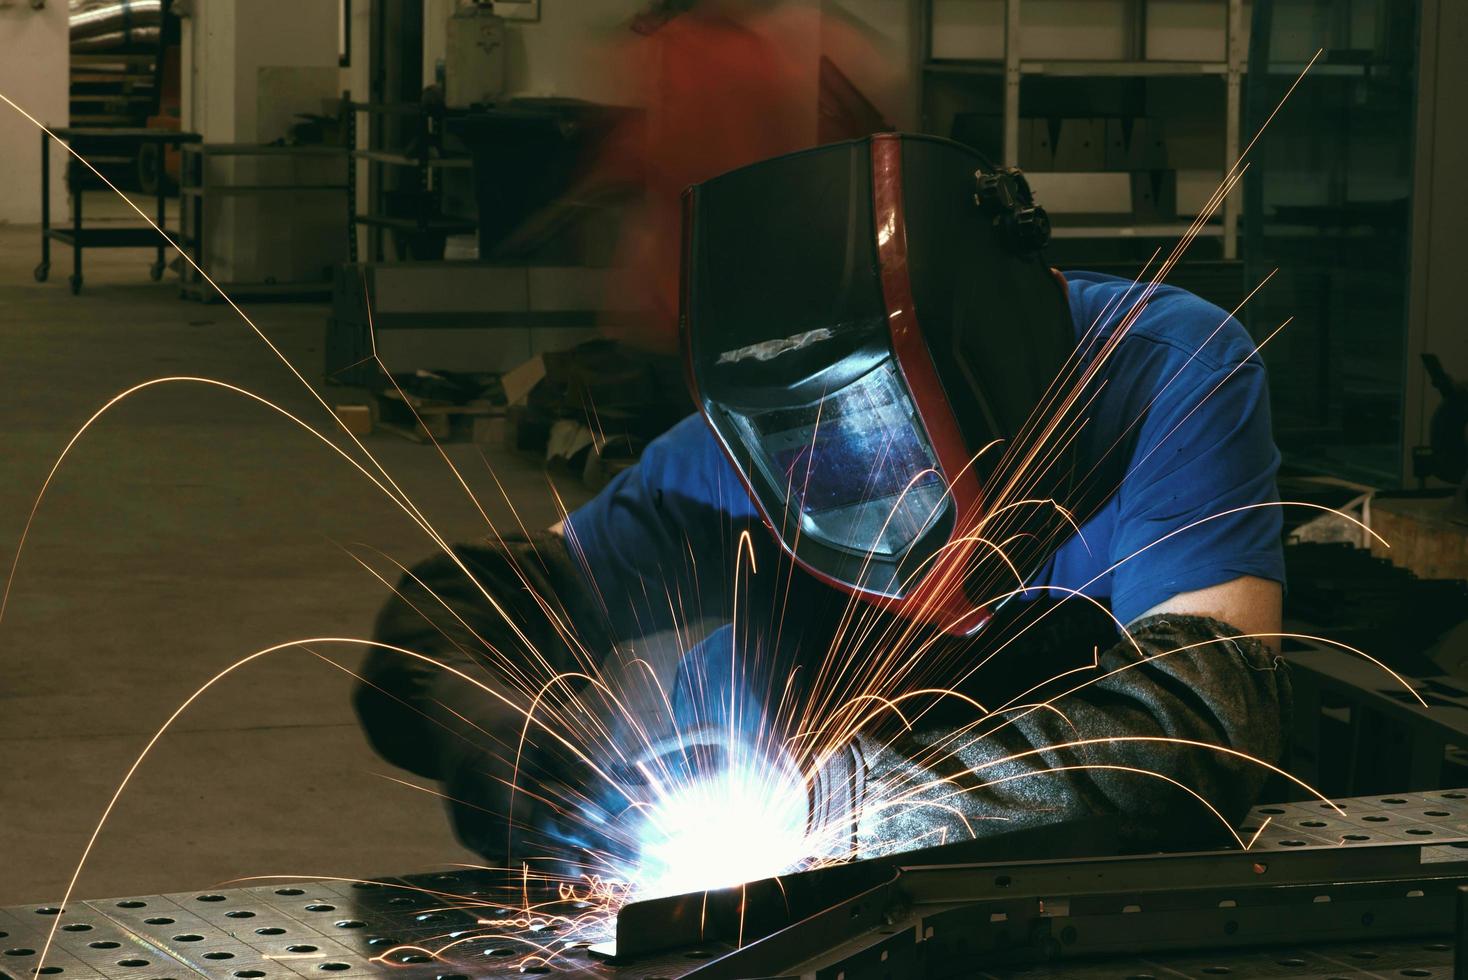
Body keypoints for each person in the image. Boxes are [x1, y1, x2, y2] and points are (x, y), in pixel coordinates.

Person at [354, 135, 1290, 871]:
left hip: (1084, 884)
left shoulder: (1164, 370)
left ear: (980, 362)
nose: (841, 481)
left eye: (873, 431)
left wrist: (834, 810)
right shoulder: (747, 444)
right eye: (797, 444)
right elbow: (469, 612)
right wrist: (499, 722)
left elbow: (1207, 720)